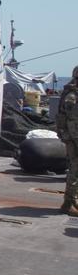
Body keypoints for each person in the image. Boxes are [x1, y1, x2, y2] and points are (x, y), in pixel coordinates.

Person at [56, 65, 78, 216]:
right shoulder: (72, 96)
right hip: (73, 138)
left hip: (72, 136)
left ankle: (73, 200)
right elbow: (72, 121)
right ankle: (68, 203)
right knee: (74, 171)